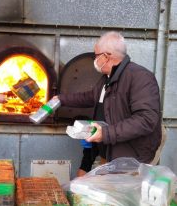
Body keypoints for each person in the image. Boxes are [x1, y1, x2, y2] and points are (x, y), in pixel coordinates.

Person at [56, 31, 161, 174]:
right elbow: (90, 97)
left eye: (96, 55)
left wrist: (106, 133)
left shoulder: (140, 77)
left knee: (122, 196)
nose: (94, 59)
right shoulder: (108, 78)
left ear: (106, 56)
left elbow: (146, 120)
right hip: (110, 153)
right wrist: (61, 99)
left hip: (131, 159)